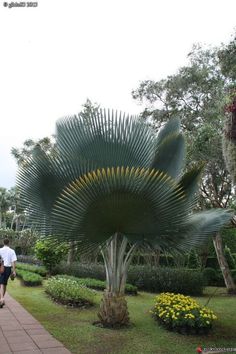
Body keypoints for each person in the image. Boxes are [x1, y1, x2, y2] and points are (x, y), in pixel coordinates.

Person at [0, 238, 17, 308]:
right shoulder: (12, 251)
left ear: (3, 243)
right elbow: (13, 262)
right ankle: (2, 299)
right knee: (4, 284)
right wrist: (14, 271)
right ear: (9, 243)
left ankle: (1, 299)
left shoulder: (0, 250)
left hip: (0, 267)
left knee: (1, 284)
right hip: (7, 269)